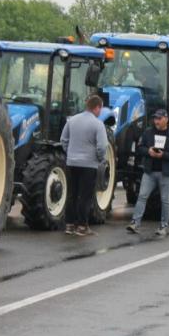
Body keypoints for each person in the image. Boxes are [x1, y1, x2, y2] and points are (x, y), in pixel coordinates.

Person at [126, 109, 169, 236]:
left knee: (165, 200)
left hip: (165, 173)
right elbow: (140, 147)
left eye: (159, 118)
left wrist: (164, 155)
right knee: (142, 196)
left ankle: (163, 226)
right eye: (155, 118)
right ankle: (135, 223)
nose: (156, 121)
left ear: (166, 119)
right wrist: (149, 152)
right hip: (149, 172)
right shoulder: (148, 132)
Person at [61, 95, 109, 236]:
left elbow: (64, 140)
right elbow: (102, 146)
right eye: (100, 109)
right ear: (97, 107)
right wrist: (100, 159)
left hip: (72, 163)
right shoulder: (98, 124)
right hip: (89, 165)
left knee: (72, 194)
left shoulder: (72, 120)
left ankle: (69, 225)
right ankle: (82, 227)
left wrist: (70, 153)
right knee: (85, 196)